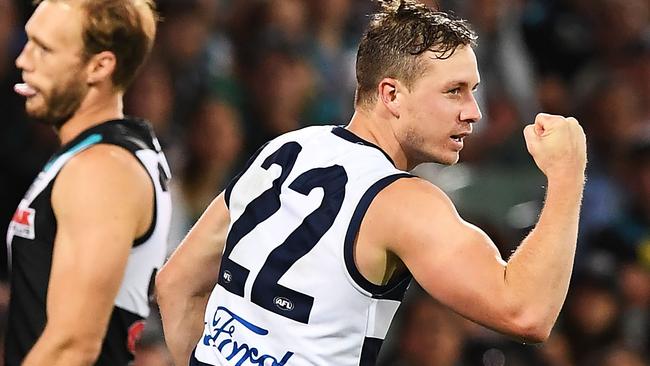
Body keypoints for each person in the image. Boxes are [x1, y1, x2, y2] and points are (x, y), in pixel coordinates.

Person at [156, 1, 586, 365]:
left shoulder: (285, 149)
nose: (473, 112)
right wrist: (567, 176)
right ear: (391, 95)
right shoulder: (403, 202)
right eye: (454, 91)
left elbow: (175, 284)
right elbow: (527, 313)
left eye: (473, 90)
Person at [5, 0, 171, 365]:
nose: (23, 60)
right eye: (28, 41)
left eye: (44, 49)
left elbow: (73, 346)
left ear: (99, 66)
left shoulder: (102, 170)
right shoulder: (97, 155)